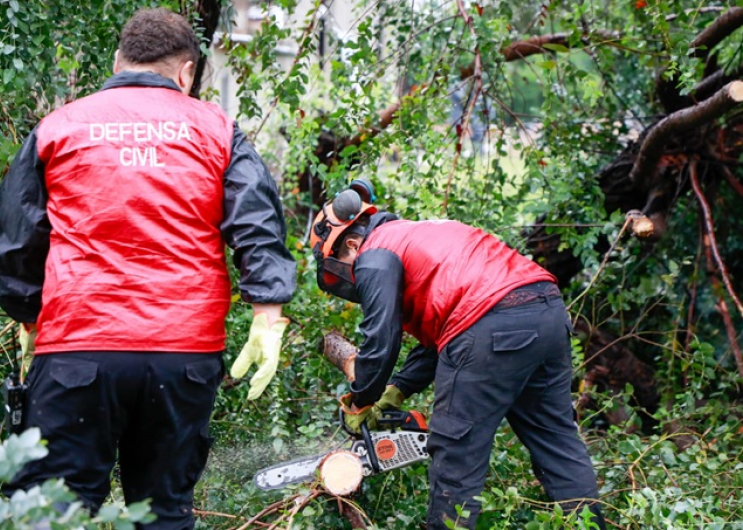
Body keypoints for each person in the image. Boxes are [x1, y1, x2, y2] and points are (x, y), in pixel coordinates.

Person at [0, 8, 296, 529]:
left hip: (77, 350)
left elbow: (20, 240)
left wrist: (28, 315)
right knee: (163, 514)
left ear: (118, 61)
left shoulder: (60, 126)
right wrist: (267, 313)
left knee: (51, 513)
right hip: (182, 355)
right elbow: (256, 224)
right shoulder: (219, 129)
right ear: (186, 74)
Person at [310, 181, 606, 530]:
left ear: (351, 243)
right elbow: (444, 336)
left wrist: (361, 399)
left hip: (490, 326)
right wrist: (396, 391)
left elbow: (381, 340)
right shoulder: (416, 236)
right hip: (547, 313)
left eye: (340, 267)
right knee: (557, 443)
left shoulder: (374, 255)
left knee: (456, 453)